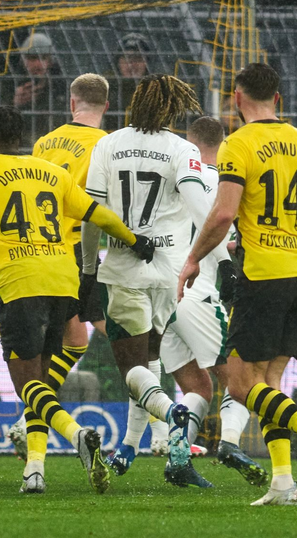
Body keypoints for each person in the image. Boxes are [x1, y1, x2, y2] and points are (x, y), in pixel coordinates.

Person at [0, 105, 155, 495]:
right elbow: (99, 215)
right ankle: (34, 469)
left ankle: (76, 434)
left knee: (28, 385)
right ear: (21, 136)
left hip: (21, 282)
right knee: (43, 383)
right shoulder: (53, 173)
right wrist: (135, 240)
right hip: (64, 281)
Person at [81, 74, 236, 488]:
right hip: (170, 274)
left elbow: (93, 213)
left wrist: (88, 269)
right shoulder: (182, 149)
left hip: (124, 269)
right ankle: (131, 446)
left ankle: (171, 414)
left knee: (132, 367)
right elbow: (202, 208)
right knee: (151, 355)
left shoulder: (108, 144)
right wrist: (223, 261)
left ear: (136, 103)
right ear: (172, 109)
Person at [178, 62, 297, 506]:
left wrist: (193, 258)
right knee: (268, 382)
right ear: (278, 98)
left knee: (239, 385)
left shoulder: (238, 143)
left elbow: (222, 214)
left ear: (236, 98)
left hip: (263, 273)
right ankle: (282, 482)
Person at [108, 116, 266, 484]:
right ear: (221, 147)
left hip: (163, 293)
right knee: (239, 378)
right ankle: (230, 443)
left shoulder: (170, 176)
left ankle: (175, 458)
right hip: (198, 292)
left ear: (188, 142)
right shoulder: (222, 183)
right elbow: (224, 229)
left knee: (198, 386)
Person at [6, 73, 110, 478]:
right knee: (104, 336)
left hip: (40, 248)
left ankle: (29, 429)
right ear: (106, 106)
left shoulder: (44, 143)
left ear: (71, 103)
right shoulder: (107, 145)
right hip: (80, 252)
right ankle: (33, 429)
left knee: (74, 340)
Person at [0, 31, 67, 147]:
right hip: (15, 142)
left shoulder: (59, 86)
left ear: (50, 61)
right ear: (23, 60)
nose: (38, 64)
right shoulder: (9, 84)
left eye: (43, 58)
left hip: (51, 142)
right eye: (32, 58)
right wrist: (14, 104)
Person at [106, 33, 151, 129]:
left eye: (138, 59)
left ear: (147, 63)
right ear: (118, 62)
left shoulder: (156, 89)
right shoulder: (105, 87)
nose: (132, 65)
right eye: (126, 58)